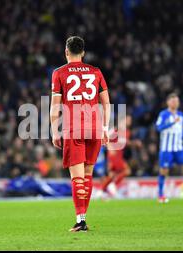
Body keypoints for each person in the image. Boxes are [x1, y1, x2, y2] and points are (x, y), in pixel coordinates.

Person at [50, 36, 111, 232]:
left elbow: (54, 107)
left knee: (77, 178)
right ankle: (83, 219)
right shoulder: (96, 72)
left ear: (66, 52)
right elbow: (106, 103)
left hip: (73, 127)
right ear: (83, 52)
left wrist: (54, 130)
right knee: (87, 176)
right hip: (94, 127)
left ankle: (80, 221)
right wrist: (105, 127)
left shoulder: (59, 73)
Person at [156, 93, 183, 203]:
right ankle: (160, 195)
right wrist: (171, 123)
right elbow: (158, 128)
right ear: (168, 102)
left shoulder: (181, 115)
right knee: (164, 171)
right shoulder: (163, 114)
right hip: (166, 148)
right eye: (173, 101)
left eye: (176, 101)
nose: (175, 103)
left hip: (179, 148)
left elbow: (182, 130)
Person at [101, 116, 132, 197]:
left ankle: (102, 190)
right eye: (127, 119)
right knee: (127, 170)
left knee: (111, 175)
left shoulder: (127, 132)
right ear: (122, 121)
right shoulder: (115, 130)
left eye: (130, 120)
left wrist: (135, 143)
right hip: (114, 155)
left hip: (120, 155)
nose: (129, 121)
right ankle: (113, 186)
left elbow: (125, 142)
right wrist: (110, 148)